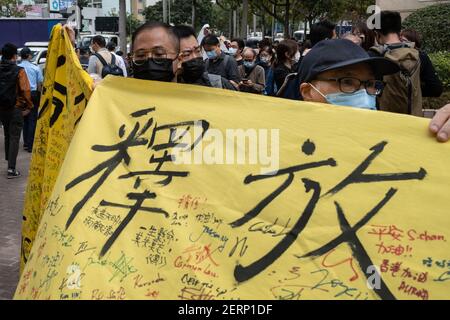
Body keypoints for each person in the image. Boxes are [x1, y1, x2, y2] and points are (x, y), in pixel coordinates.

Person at [371, 11, 443, 116]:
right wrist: (413, 89)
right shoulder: (420, 55)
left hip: (384, 120)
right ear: (400, 32)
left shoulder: (373, 56)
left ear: (377, 34)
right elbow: (436, 89)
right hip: (413, 119)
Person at [298, 39, 399, 111]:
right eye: (348, 82)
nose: (365, 100)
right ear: (308, 92)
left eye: (369, 84)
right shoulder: (286, 137)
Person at [0, 43, 33, 178]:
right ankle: (11, 168)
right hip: (15, 108)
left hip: (2, 108)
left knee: (7, 134)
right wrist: (29, 106)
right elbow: (25, 90)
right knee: (14, 137)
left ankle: (9, 160)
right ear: (14, 55)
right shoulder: (19, 70)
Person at [173, 25, 236, 90]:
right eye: (187, 54)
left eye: (197, 51)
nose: (195, 57)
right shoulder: (165, 85)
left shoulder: (218, 83)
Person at [400, 28, 443, 98]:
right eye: (399, 41)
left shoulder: (421, 57)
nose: (401, 44)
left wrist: (413, 90)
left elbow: (436, 88)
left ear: (414, 44)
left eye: (404, 41)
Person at [18, 47, 43, 153]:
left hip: (21, 95)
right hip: (32, 94)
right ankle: (30, 144)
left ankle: (26, 143)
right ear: (28, 56)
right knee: (32, 119)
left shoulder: (17, 67)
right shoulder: (35, 68)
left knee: (24, 118)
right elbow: (40, 84)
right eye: (30, 54)